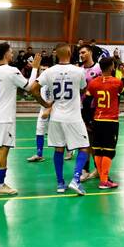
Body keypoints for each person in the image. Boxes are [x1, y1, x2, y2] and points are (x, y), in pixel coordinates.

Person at [0, 43, 41, 196]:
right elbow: (30, 87)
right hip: (5, 118)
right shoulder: (12, 71)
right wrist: (35, 68)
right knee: (3, 149)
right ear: (5, 54)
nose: (12, 54)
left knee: (3, 148)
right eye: (11, 52)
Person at [31, 45, 90, 196]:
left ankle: (60, 183)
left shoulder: (49, 72)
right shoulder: (79, 71)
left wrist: (45, 104)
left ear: (56, 54)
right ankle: (76, 179)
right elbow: (83, 88)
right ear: (70, 53)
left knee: (59, 149)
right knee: (84, 147)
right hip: (73, 117)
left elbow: (33, 89)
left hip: (56, 117)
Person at [86, 57, 124, 189]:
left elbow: (88, 98)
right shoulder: (116, 82)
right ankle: (104, 181)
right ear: (111, 67)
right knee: (108, 151)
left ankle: (103, 178)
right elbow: (122, 92)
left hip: (97, 119)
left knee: (98, 151)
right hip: (110, 121)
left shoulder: (93, 83)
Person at [79, 44, 102, 182]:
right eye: (80, 53)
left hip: (96, 109)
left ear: (90, 52)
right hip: (82, 109)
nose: (81, 55)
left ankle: (99, 169)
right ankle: (84, 169)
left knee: (95, 141)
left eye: (83, 52)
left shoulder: (98, 68)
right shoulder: (78, 70)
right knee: (83, 140)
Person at [26, 66, 52, 163]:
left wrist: (50, 109)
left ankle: (70, 150)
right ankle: (39, 154)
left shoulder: (53, 82)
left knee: (59, 132)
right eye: (42, 69)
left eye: (45, 70)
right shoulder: (39, 83)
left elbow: (58, 98)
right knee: (39, 130)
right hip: (43, 109)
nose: (43, 71)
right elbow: (29, 87)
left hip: (55, 110)